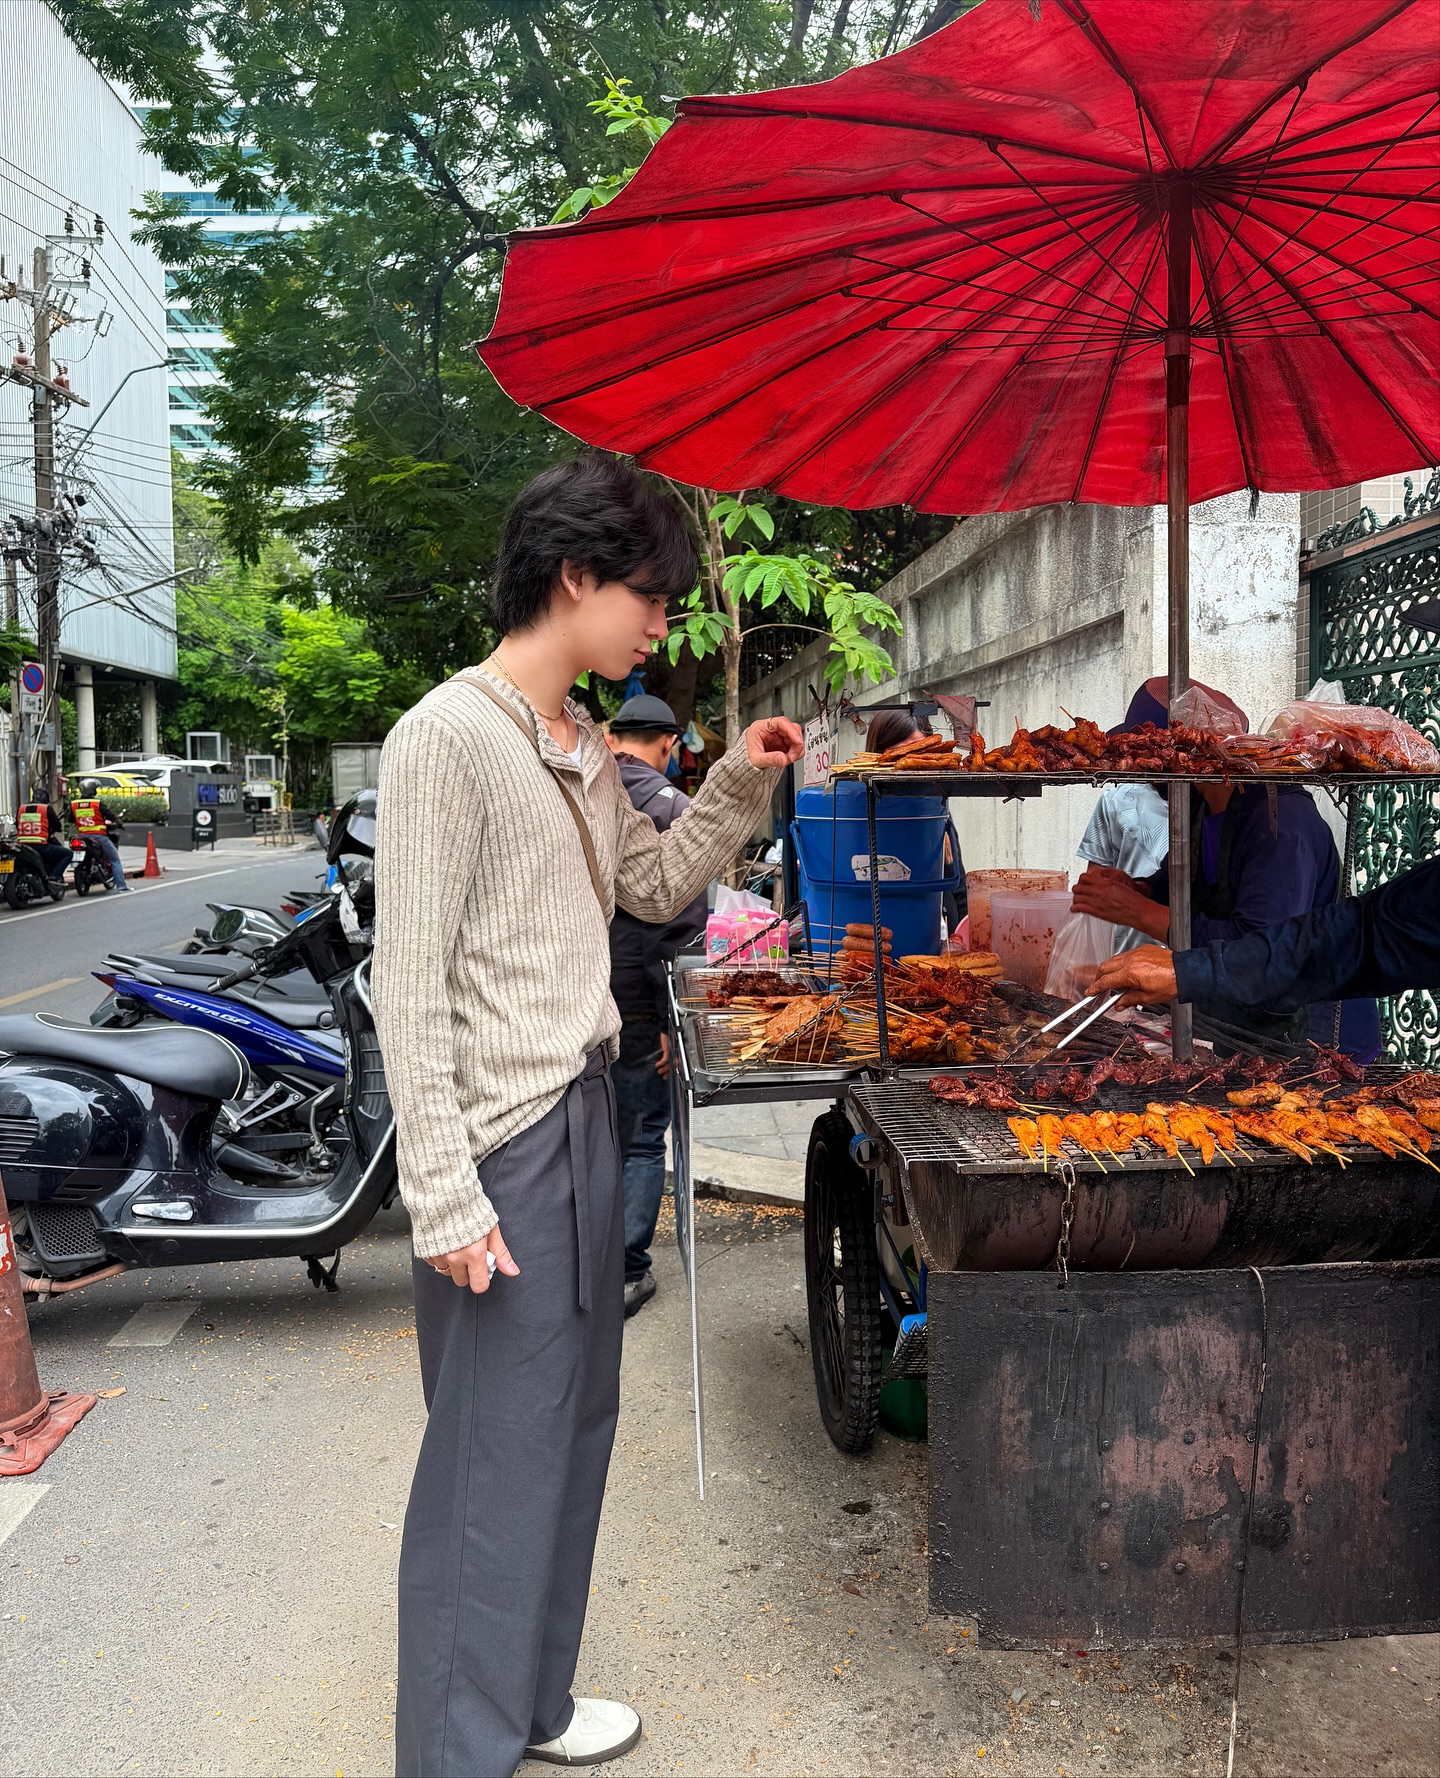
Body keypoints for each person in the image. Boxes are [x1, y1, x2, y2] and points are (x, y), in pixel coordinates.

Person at [371, 452, 802, 1778]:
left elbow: (659, 884)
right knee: (491, 1459)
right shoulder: (445, 738)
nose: (659, 627)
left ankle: (534, 1699)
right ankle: (457, 1746)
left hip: (578, 1110)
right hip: (499, 1148)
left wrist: (736, 779)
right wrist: (440, 1190)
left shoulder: (579, 748)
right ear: (576, 577)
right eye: (651, 601)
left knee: (570, 1432)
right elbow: (410, 981)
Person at [1071, 688, 1382, 1059]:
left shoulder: (1280, 824)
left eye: (1150, 758)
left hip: (1318, 1038)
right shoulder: (1202, 808)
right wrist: (1139, 889)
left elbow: (1256, 947)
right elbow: (1188, 885)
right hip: (1243, 1026)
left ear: (1189, 751)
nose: (1145, 775)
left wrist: (1137, 912)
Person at [603, 692, 709, 1318]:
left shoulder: (583, 794)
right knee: (642, 1139)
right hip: (640, 999)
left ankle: (583, 1263)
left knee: (592, 1134)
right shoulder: (672, 808)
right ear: (669, 745)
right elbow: (676, 925)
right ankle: (625, 1271)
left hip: (578, 997)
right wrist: (675, 1020)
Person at [1091, 854, 1440, 1012]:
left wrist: (1190, 969)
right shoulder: (1204, 812)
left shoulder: (1284, 833)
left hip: (1301, 1016)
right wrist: (1148, 889)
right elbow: (1370, 928)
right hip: (1251, 998)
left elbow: (1356, 940)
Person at [862, 707, 965, 933]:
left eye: (920, 753)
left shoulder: (937, 811)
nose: (913, 765)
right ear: (879, 755)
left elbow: (959, 889)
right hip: (878, 935)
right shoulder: (858, 815)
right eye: (902, 755)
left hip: (937, 936)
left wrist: (962, 937)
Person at [73, 777, 132, 892]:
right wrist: (120, 824)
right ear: (93, 791)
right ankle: (122, 886)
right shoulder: (97, 803)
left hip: (82, 836)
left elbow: (71, 819)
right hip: (98, 836)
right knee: (114, 860)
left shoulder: (74, 804)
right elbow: (111, 816)